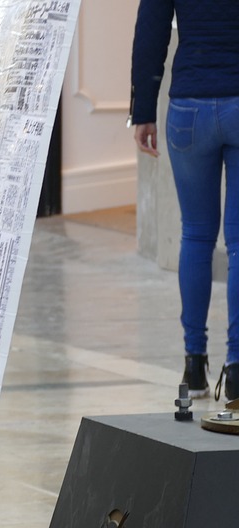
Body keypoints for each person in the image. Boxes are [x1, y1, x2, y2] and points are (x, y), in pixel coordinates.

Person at [133, 0, 239, 402]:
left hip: (189, 106)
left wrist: (142, 110)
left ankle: (193, 365)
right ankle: (236, 368)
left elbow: (151, 32)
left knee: (195, 236)